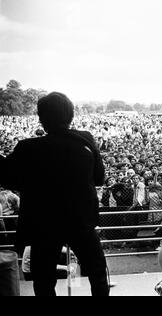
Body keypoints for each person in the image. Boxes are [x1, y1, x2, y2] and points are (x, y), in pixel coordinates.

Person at [0, 92, 109, 296]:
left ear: (42, 118)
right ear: (70, 116)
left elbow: (7, 179)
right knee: (97, 273)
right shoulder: (85, 140)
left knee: (43, 280)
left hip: (43, 224)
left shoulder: (28, 149)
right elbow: (99, 178)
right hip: (81, 221)